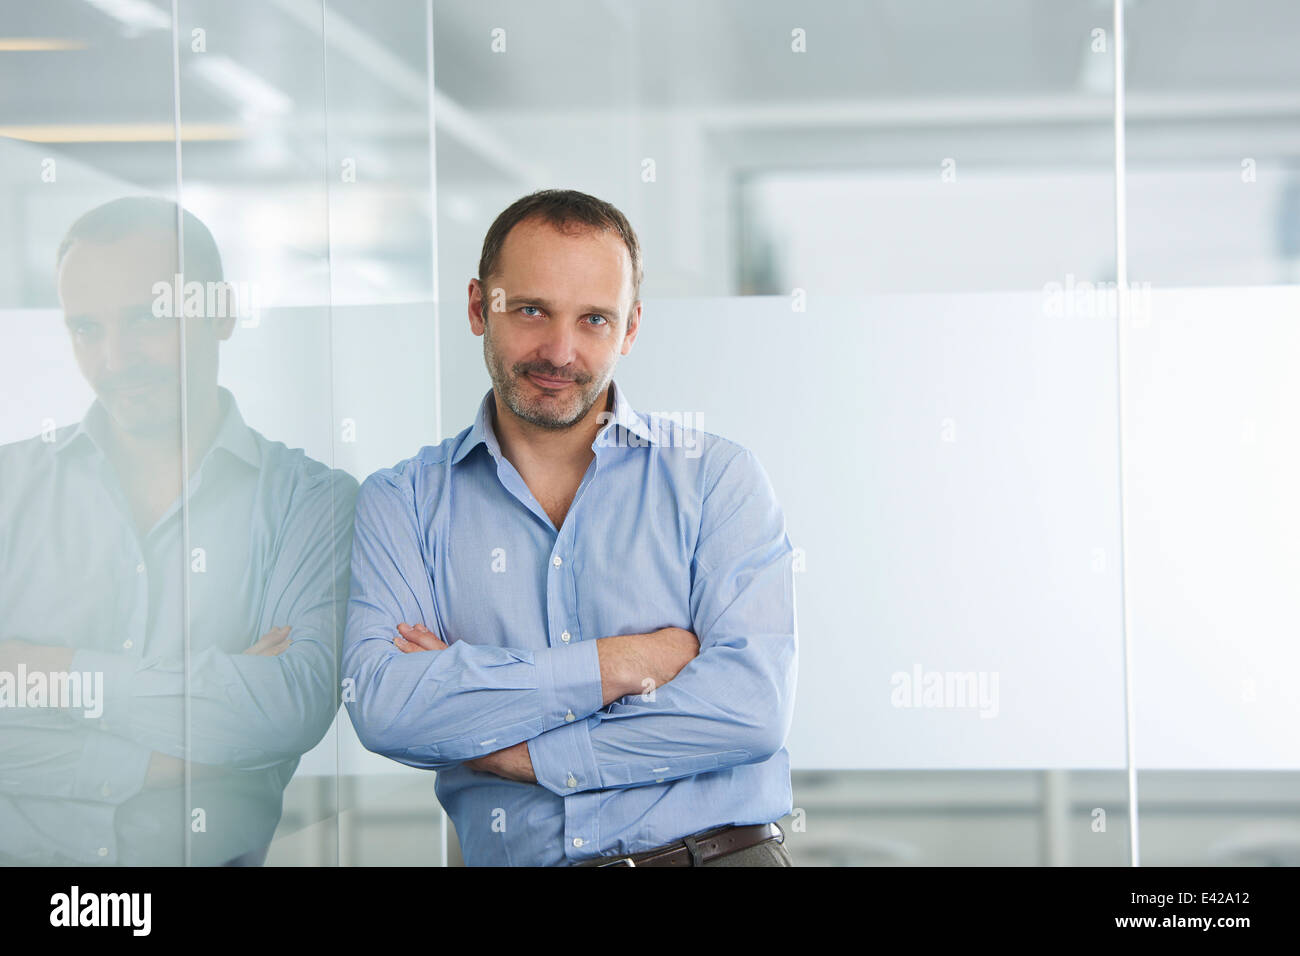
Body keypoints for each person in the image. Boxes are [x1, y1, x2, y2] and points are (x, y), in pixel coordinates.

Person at [344, 188, 798, 866]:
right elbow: (386, 707)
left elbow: (749, 710)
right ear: (479, 306)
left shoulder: (716, 480)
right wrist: (623, 663)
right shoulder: (402, 502)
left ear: (631, 329)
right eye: (531, 310)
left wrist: (523, 751)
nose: (559, 350)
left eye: (594, 320)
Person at [0, 197, 357, 865]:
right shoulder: (8, 489)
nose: (115, 359)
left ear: (220, 311)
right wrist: (177, 755)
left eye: (145, 319)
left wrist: (55, 674)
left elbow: (287, 710)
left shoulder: (313, 504)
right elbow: (248, 725)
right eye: (86, 329)